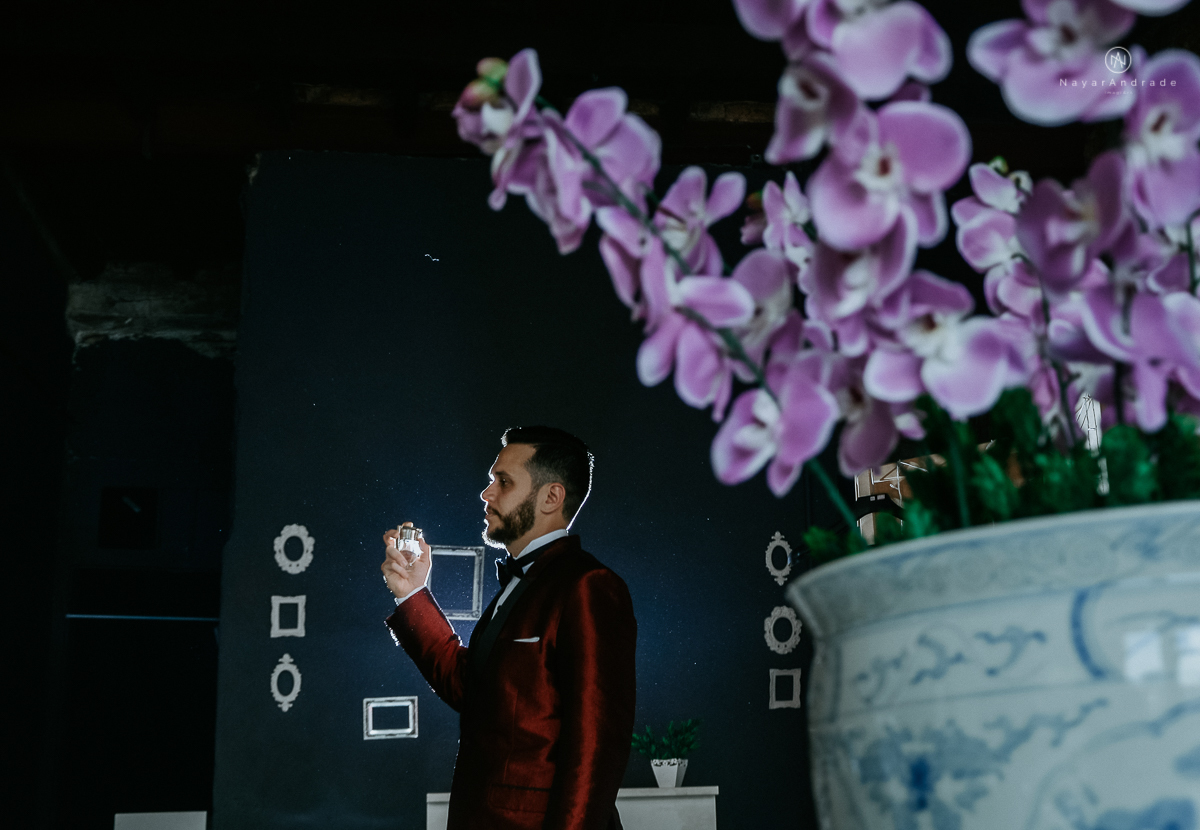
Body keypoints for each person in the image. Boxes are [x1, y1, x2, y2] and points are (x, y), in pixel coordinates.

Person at [380, 426, 637, 830]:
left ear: (552, 497)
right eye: (490, 480)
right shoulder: (515, 590)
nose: (487, 493)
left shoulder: (589, 586)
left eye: (503, 481)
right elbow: (468, 687)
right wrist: (412, 594)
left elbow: (596, 749)